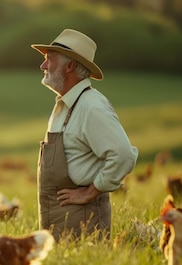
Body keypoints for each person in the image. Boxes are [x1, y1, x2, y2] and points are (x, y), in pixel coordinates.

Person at [31, 29, 138, 240]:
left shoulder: (92, 107)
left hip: (83, 226)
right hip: (59, 223)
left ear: (70, 66)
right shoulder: (66, 105)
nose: (43, 66)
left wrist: (90, 192)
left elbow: (123, 155)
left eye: (49, 60)